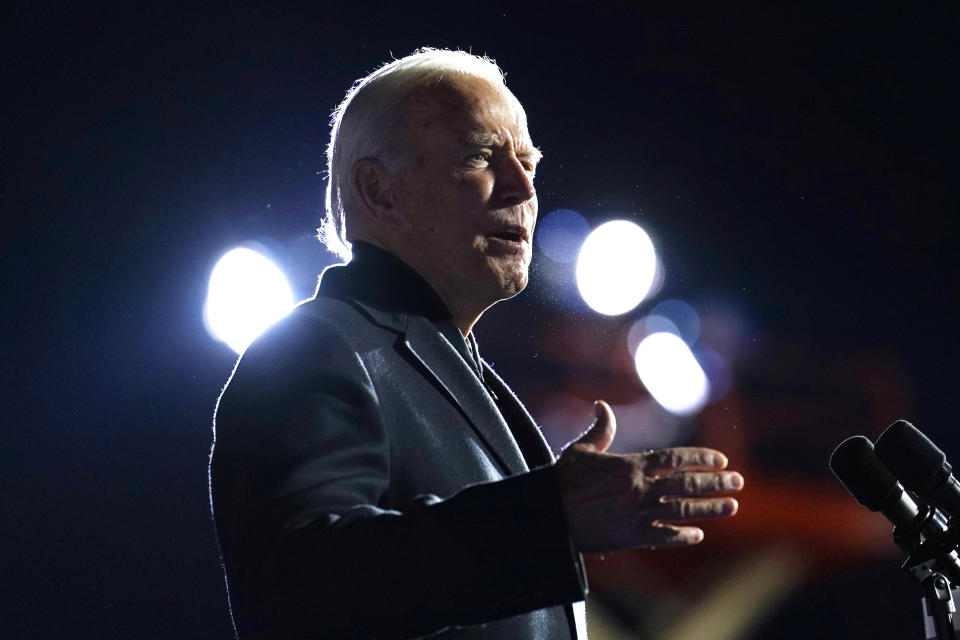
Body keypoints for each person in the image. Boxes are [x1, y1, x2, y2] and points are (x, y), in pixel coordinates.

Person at [209, 48, 743, 640]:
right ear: (379, 191)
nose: (522, 188)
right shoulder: (315, 348)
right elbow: (301, 589)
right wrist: (549, 518)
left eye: (529, 163)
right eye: (481, 157)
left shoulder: (457, 372)